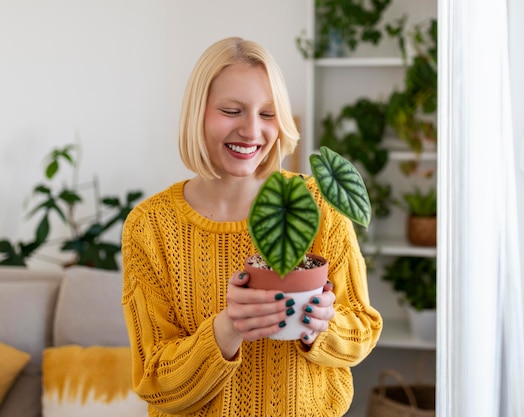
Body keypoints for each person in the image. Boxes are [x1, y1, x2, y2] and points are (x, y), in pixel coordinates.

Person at [121, 36, 383, 417]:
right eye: (231, 111)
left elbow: (362, 330)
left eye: (267, 113)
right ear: (198, 113)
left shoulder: (318, 205)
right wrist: (228, 329)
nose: (251, 131)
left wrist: (320, 324)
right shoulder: (151, 227)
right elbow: (154, 381)